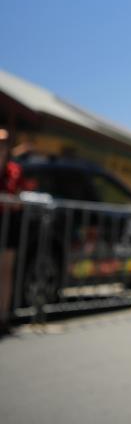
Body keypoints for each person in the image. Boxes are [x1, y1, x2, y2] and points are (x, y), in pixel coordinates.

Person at [0, 128, 23, 336]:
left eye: (4, 144)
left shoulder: (14, 170)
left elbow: (17, 197)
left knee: (6, 272)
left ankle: (3, 316)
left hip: (7, 224)